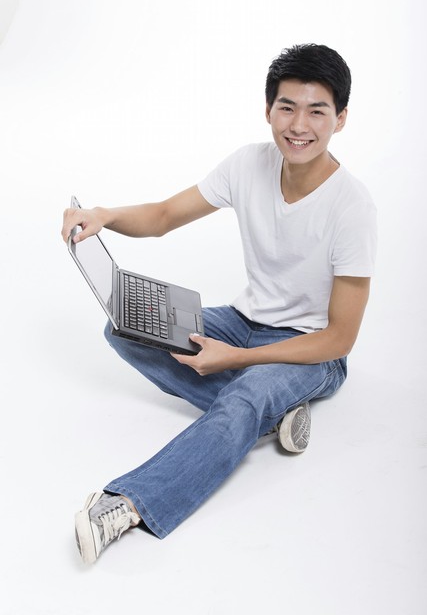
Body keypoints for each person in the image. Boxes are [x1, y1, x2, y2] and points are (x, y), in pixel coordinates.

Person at [62, 43, 377, 564]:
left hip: (312, 350)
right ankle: (271, 419)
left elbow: (340, 338)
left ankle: (129, 504)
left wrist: (237, 360)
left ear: (340, 119)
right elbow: (165, 215)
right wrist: (104, 215)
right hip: (242, 320)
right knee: (124, 325)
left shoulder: (353, 207)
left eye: (317, 111)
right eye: (287, 107)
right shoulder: (248, 164)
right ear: (268, 110)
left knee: (243, 398)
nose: (299, 125)